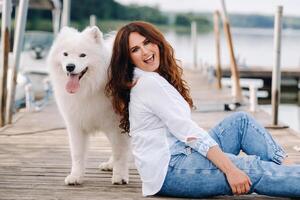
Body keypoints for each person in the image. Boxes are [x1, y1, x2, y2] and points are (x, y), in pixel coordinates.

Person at [105, 21, 300, 198]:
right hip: (170, 170)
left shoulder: (150, 79)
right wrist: (231, 170)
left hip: (181, 154)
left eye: (147, 42)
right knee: (251, 168)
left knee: (241, 122)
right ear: (128, 58)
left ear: (157, 41)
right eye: (135, 49)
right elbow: (189, 133)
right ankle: (292, 177)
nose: (146, 51)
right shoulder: (149, 84)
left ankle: (288, 169)